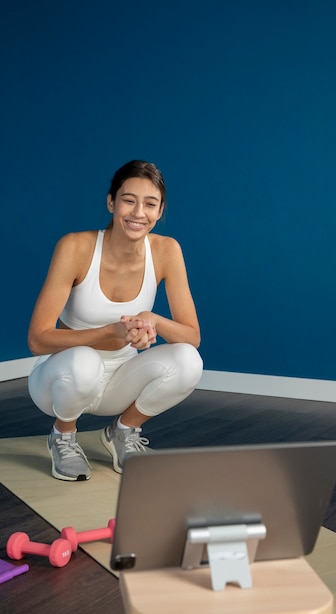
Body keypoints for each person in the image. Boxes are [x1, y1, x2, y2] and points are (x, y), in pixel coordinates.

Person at [27, 160, 203, 481]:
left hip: (119, 377)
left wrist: (151, 321)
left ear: (160, 211)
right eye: (128, 200)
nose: (138, 213)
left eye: (150, 204)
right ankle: (63, 434)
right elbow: (38, 339)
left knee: (189, 360)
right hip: (59, 379)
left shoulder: (167, 251)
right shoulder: (75, 247)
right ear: (111, 202)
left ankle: (123, 431)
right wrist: (110, 330)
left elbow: (191, 336)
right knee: (84, 361)